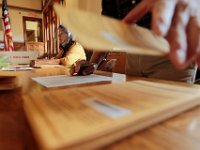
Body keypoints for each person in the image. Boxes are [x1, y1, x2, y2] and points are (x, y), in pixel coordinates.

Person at [71, 0, 199, 83]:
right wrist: (92, 64)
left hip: (170, 56)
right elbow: (109, 28)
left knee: (172, 121)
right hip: (132, 58)